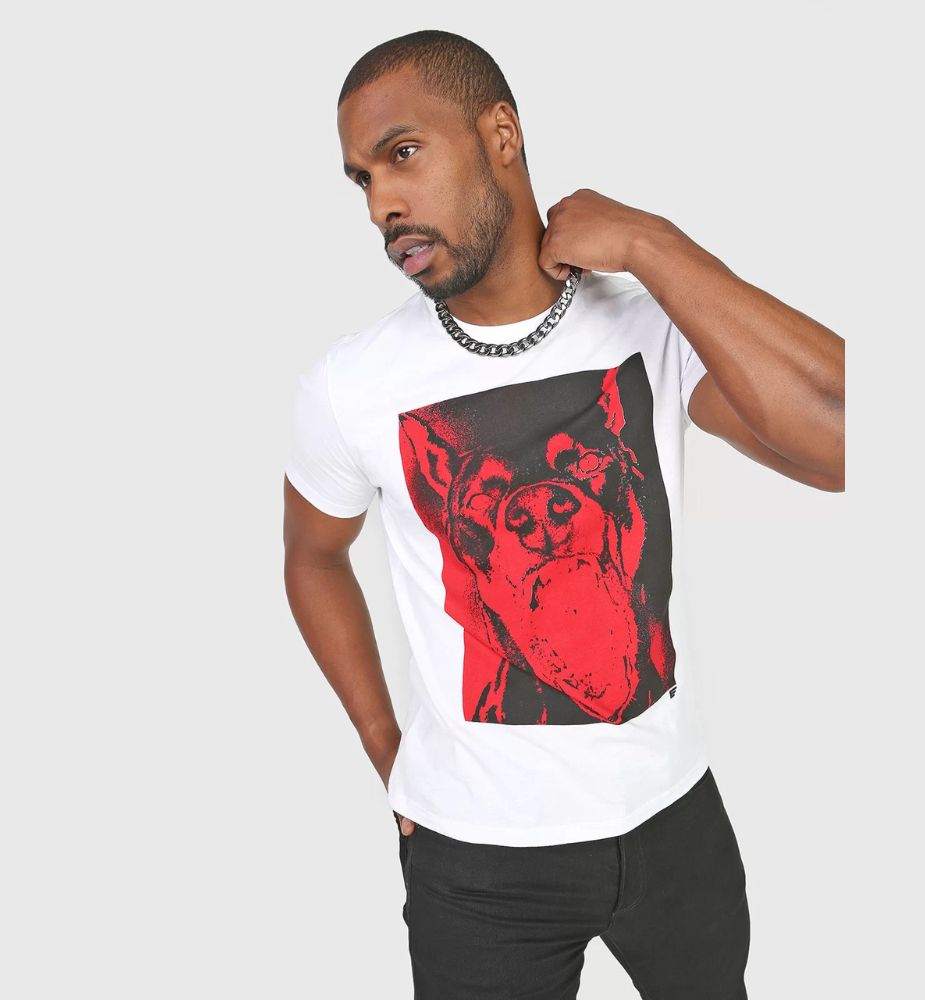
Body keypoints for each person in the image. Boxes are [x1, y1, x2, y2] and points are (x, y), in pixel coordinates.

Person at [282, 28, 844, 1000]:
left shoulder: (653, 324)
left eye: (403, 153)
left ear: (500, 133)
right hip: (475, 859)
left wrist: (652, 245)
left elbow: (846, 437)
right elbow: (312, 556)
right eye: (362, 179)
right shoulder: (351, 385)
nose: (382, 205)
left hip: (673, 818)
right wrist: (387, 748)